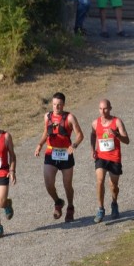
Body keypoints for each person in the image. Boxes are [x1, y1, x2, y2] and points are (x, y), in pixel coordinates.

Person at [34, 92, 84, 222]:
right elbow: (46, 132)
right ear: (52, 104)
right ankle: (58, 202)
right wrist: (40, 144)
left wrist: (74, 145)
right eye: (55, 104)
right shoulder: (47, 117)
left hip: (66, 154)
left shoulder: (70, 117)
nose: (57, 107)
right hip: (51, 153)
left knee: (67, 185)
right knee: (48, 183)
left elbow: (80, 135)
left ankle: (70, 207)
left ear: (64, 105)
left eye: (59, 105)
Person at [90, 98, 130, 223]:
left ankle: (114, 203)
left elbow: (127, 140)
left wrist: (117, 135)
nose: (103, 111)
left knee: (113, 186)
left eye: (105, 108)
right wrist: (92, 149)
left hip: (114, 158)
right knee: (100, 181)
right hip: (101, 157)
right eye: (100, 109)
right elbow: (92, 134)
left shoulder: (117, 122)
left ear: (110, 108)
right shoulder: (95, 123)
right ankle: (101, 209)